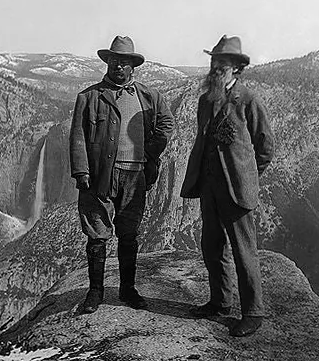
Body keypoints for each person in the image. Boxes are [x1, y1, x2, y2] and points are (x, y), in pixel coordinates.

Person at [70, 35, 174, 314]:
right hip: (100, 176)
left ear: (133, 67)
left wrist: (151, 151)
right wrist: (81, 171)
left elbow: (166, 123)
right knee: (97, 234)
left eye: (124, 63)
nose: (119, 67)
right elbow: (78, 136)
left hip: (136, 176)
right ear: (107, 63)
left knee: (129, 235)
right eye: (114, 61)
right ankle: (95, 292)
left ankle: (128, 289)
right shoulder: (89, 97)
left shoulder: (149, 97)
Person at [180, 35, 274, 337]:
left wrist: (248, 175)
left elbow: (265, 147)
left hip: (237, 190)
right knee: (211, 246)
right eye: (213, 62)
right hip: (209, 188)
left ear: (236, 68)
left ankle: (253, 312)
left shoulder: (248, 100)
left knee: (244, 250)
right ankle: (220, 302)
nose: (216, 68)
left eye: (222, 64)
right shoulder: (206, 100)